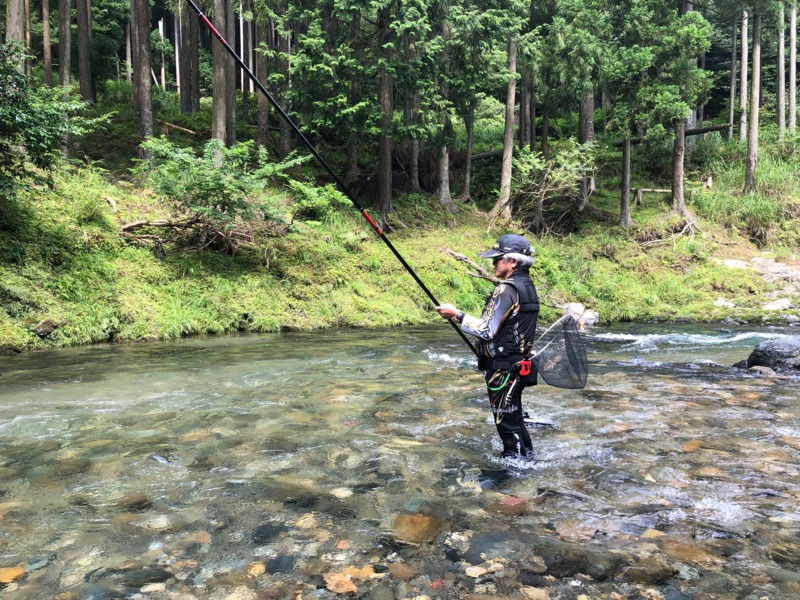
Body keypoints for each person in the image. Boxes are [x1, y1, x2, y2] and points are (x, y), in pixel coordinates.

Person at [436, 234, 540, 459]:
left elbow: (486, 330)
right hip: (517, 366)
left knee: (506, 425)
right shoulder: (527, 286)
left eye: (499, 258)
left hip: (503, 370)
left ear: (513, 262)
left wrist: (457, 314)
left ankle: (516, 470)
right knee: (515, 421)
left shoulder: (507, 289)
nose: (494, 263)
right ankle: (526, 462)